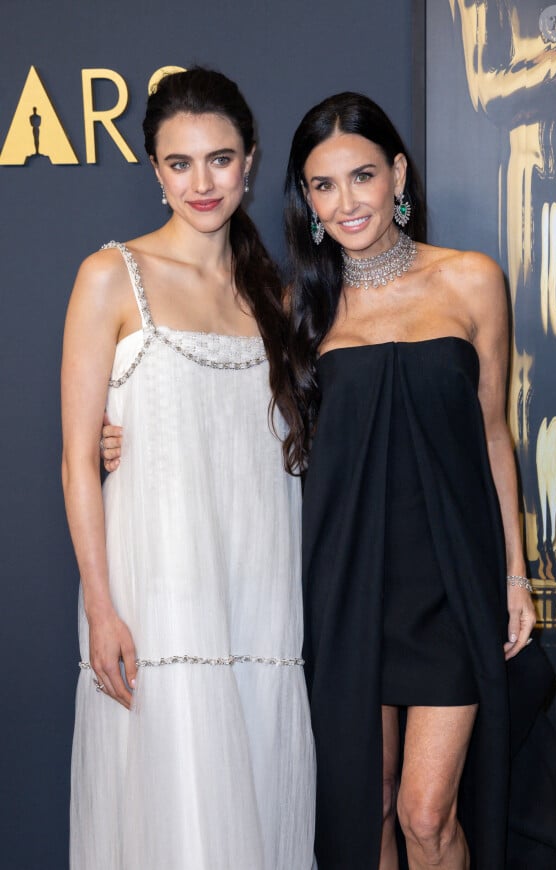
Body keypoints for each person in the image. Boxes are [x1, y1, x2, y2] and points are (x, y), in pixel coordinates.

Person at [61, 67, 315, 870]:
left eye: (220, 159)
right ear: (154, 170)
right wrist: (102, 608)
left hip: (262, 600)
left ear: (250, 162)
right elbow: (76, 457)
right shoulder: (110, 277)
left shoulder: (275, 295)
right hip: (160, 602)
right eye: (180, 163)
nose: (201, 183)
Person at [281, 92, 537, 869]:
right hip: (349, 582)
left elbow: (495, 431)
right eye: (324, 185)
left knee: (428, 814)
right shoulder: (302, 308)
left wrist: (516, 576)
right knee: (374, 805)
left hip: (451, 582)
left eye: (362, 175)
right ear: (309, 201)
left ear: (397, 173)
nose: (347, 201)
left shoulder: (470, 280)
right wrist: (120, 434)